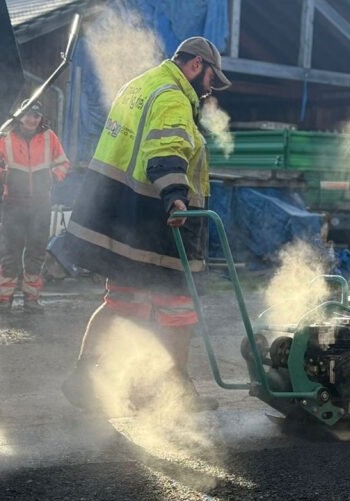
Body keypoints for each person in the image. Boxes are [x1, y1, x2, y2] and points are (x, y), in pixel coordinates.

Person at [60, 37, 231, 412]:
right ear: (195, 65)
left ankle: (86, 378)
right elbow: (165, 151)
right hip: (156, 223)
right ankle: (174, 393)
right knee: (180, 307)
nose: (209, 90)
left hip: (122, 216)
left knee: (123, 300)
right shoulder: (172, 96)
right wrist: (177, 198)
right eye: (210, 80)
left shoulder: (139, 86)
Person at [0, 101, 69, 313]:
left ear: (40, 118)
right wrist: (3, 176)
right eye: (28, 115)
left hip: (40, 204)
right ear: (20, 116)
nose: (31, 120)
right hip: (13, 203)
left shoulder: (50, 137)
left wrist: (53, 178)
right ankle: (5, 298)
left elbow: (63, 164)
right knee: (10, 251)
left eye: (36, 116)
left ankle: (31, 298)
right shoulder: (6, 138)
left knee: (36, 251)